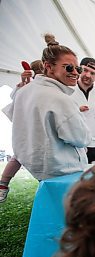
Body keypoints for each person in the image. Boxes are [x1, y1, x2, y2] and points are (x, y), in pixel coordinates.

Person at [10, 34, 90, 181]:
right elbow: (81, 138)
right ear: (48, 67)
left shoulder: (23, 92)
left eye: (78, 68)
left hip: (38, 170)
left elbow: (16, 119)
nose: (75, 73)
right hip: (64, 173)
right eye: (69, 67)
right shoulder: (60, 99)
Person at [0, 60, 44, 203]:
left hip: (37, 131)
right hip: (28, 130)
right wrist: (24, 82)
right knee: (19, 155)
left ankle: (3, 183)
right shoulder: (27, 86)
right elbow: (16, 98)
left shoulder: (45, 87)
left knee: (19, 156)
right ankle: (3, 184)